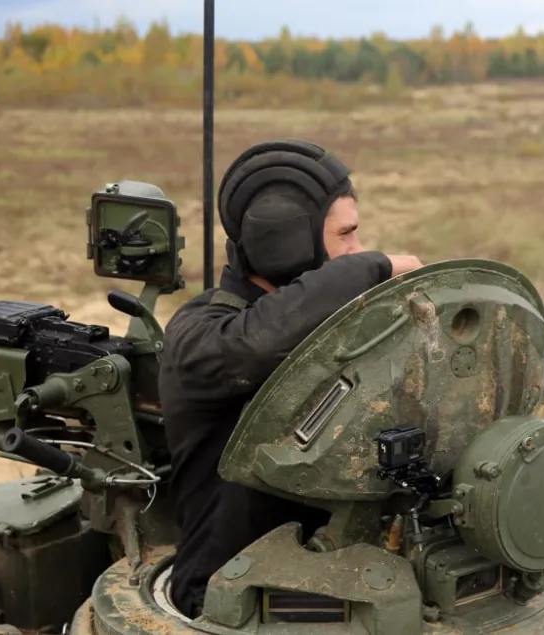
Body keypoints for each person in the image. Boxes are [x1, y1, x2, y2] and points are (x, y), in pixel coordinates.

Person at [159, 139, 423, 617]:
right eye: (346, 236)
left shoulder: (333, 324)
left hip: (337, 576)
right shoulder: (199, 335)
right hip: (231, 599)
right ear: (284, 245)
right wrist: (372, 267)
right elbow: (256, 345)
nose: (357, 248)